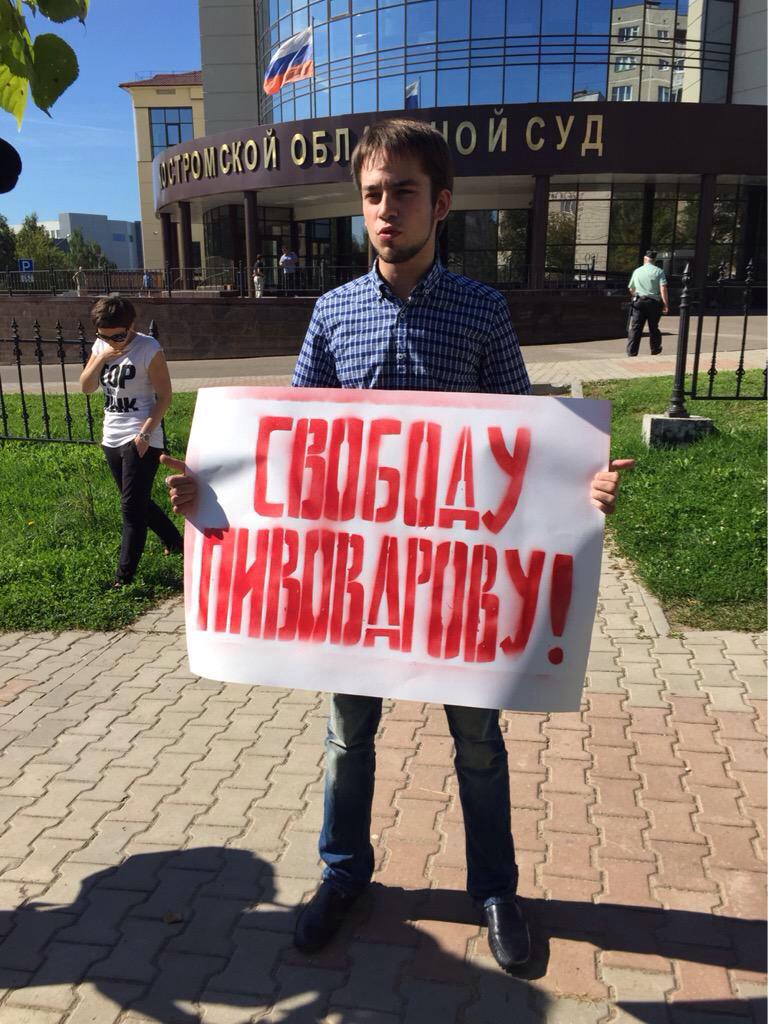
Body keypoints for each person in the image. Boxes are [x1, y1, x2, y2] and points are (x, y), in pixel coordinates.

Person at [162, 119, 633, 972]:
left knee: (478, 744)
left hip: (458, 588)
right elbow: (289, 450)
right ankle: (343, 874)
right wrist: (210, 493)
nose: (385, 209)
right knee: (348, 740)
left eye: (403, 192)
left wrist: (582, 487)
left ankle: (495, 889)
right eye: (373, 194)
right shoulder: (333, 313)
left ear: (440, 204)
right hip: (358, 587)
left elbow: (526, 445)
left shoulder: (482, 310)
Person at [80, 295, 182, 589]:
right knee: (136, 501)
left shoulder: (148, 348)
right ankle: (175, 541)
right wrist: (101, 356)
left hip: (141, 436)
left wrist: (145, 434)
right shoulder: (101, 346)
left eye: (119, 336)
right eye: (105, 336)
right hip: (111, 436)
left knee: (131, 510)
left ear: (131, 325)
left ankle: (122, 580)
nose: (113, 342)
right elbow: (86, 387)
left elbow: (165, 396)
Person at [627, 250, 669, 356]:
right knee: (653, 327)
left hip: (639, 301)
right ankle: (655, 349)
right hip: (653, 303)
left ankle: (632, 351)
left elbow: (631, 288)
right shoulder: (659, 271)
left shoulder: (637, 271)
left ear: (645, 259)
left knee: (636, 328)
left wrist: (636, 295)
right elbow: (663, 288)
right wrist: (665, 304)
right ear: (654, 260)